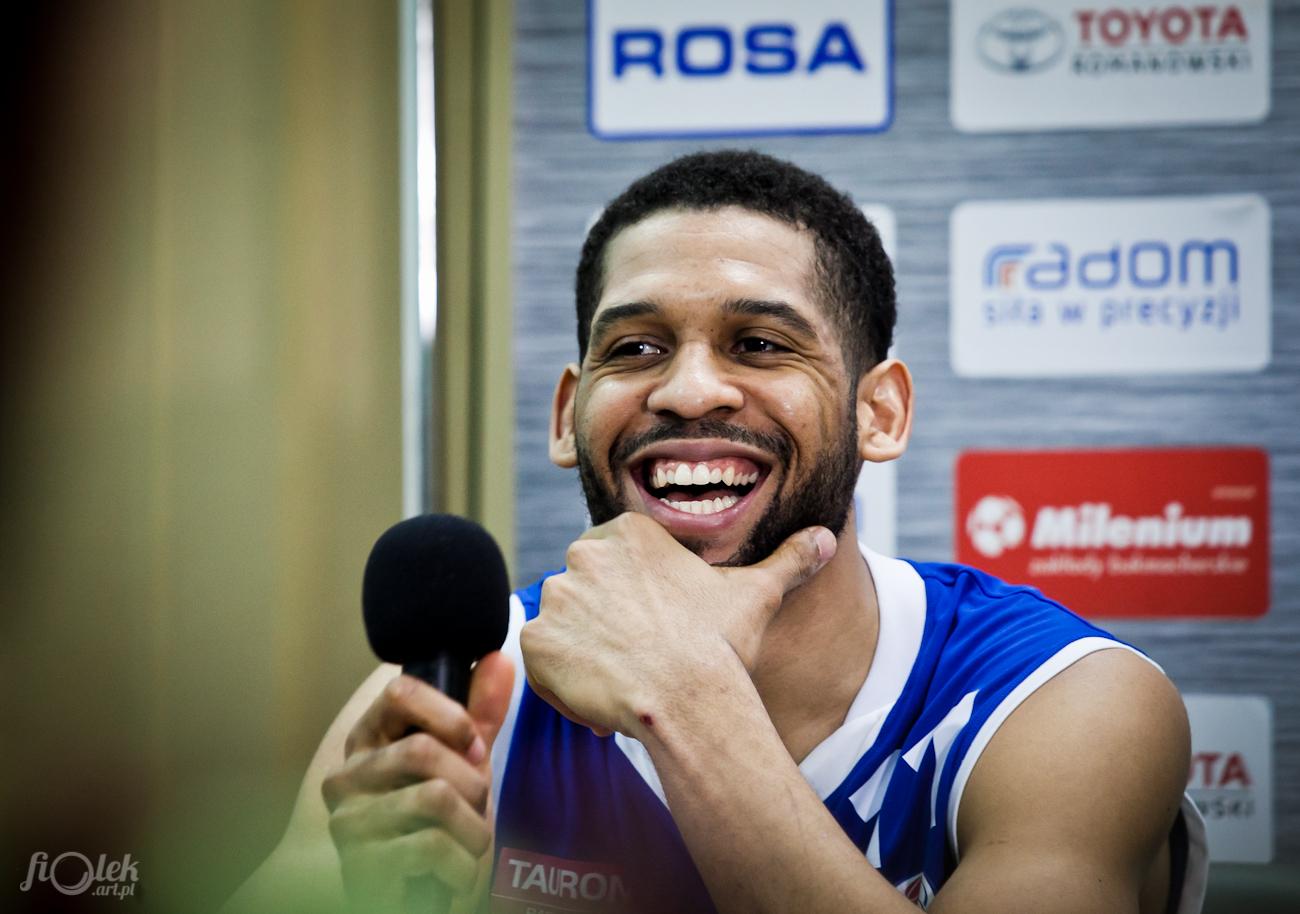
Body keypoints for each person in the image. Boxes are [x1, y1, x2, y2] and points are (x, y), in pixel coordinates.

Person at [225, 150, 1206, 914]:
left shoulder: (1059, 698)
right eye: (635, 347)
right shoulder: (472, 691)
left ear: (880, 412)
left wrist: (683, 690)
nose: (689, 390)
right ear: (567, 414)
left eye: (760, 344)